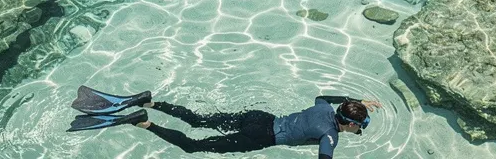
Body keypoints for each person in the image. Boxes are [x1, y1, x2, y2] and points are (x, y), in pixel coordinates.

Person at [137, 94, 381, 158]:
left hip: (260, 117)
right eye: (360, 126)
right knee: (192, 147)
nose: (360, 129)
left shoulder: (324, 107)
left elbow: (323, 95)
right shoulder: (330, 136)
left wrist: (357, 101)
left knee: (198, 120)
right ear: (349, 124)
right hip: (259, 135)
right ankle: (145, 123)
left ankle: (151, 102)